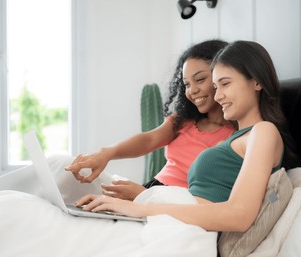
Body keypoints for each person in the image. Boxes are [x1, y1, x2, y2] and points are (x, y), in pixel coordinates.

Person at [76, 40, 299, 231]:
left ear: (256, 81)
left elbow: (239, 215)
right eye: (215, 86)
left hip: (177, 219)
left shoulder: (263, 131)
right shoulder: (240, 137)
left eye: (225, 84)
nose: (218, 95)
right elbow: (152, 139)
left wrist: (140, 206)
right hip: (168, 210)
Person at [65, 39, 236, 200]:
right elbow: (149, 139)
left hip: (177, 202)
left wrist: (146, 196)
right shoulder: (185, 120)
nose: (192, 91)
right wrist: (106, 153)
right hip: (151, 190)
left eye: (200, 80)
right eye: (186, 84)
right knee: (63, 166)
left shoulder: (236, 137)